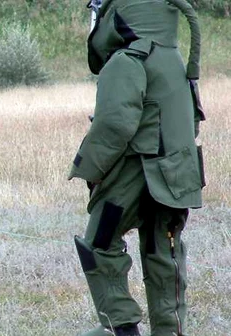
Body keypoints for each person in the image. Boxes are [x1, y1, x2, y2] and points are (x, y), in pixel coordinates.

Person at [69, 1, 205, 335]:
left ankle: (122, 328)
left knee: (99, 243)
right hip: (175, 180)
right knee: (165, 252)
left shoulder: (128, 59)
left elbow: (114, 126)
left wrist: (90, 170)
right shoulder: (175, 60)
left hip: (133, 176)